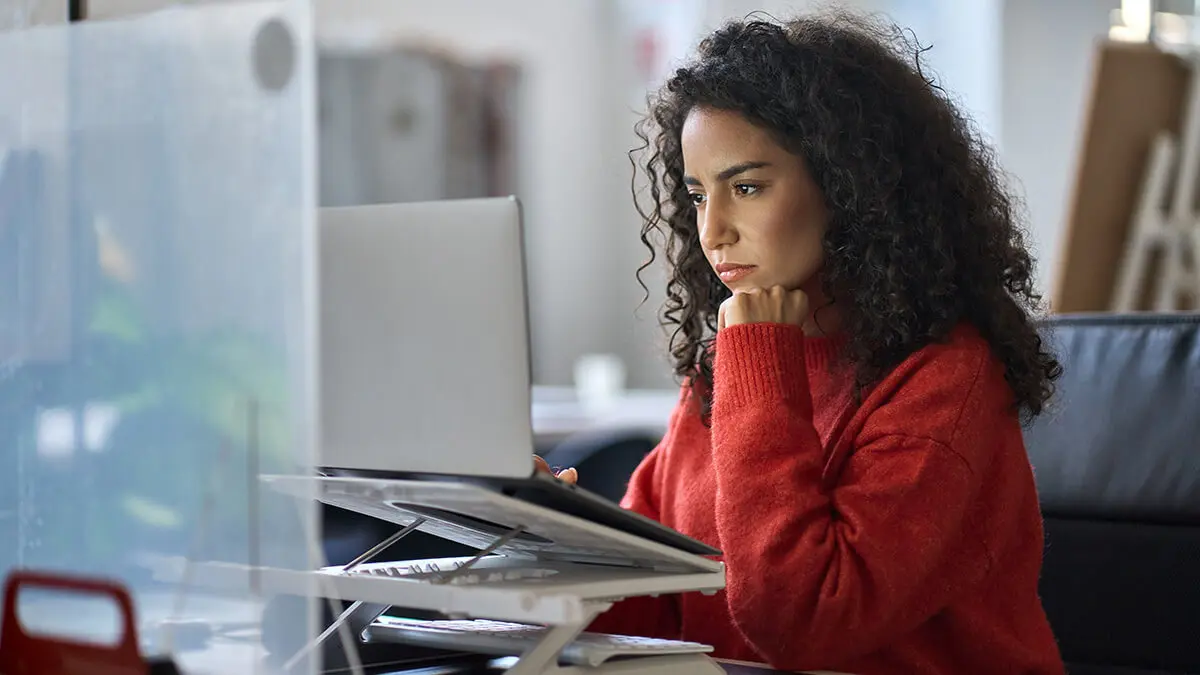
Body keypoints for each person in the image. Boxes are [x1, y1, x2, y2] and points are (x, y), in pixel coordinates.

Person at [539, 10, 1065, 675]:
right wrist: (540, 536)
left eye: (748, 187)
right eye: (698, 195)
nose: (714, 230)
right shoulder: (721, 372)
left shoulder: (948, 379)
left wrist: (759, 358)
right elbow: (652, 605)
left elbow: (802, 618)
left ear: (850, 188)